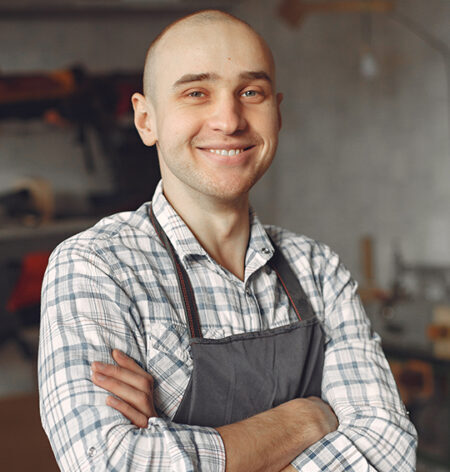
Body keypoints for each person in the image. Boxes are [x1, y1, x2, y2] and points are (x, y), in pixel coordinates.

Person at [38, 9, 417, 472]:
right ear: (146, 119)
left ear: (277, 111)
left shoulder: (318, 269)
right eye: (196, 93)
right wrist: (305, 419)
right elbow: (112, 463)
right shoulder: (95, 266)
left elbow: (389, 450)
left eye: (251, 92)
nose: (229, 119)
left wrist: (175, 444)